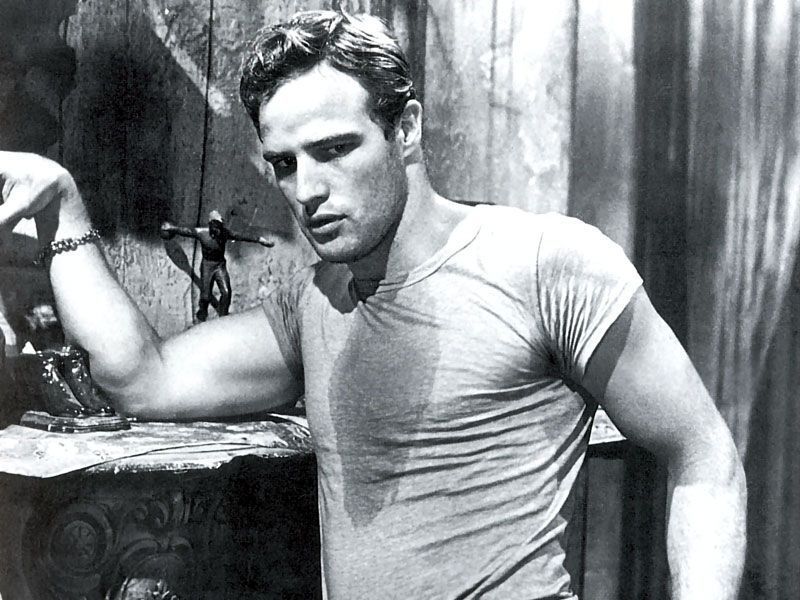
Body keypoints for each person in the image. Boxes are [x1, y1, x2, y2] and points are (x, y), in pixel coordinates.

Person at [0, 10, 745, 599]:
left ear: (406, 129)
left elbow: (705, 457)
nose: (306, 190)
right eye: (284, 164)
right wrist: (65, 209)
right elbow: (144, 378)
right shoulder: (316, 298)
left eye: (334, 150)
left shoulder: (548, 263)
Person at [159, 211, 274, 322]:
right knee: (205, 296)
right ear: (210, 226)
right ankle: (202, 314)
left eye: (219, 227)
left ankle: (223, 316)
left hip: (219, 266)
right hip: (207, 266)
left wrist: (259, 240)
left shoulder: (225, 233)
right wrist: (171, 228)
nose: (218, 231)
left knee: (226, 292)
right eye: (215, 227)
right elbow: (186, 231)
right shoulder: (202, 233)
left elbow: (241, 236)